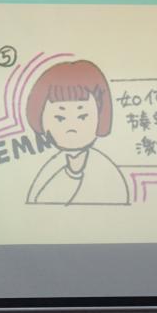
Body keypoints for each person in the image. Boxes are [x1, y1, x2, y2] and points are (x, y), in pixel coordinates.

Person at [25, 59, 129, 205]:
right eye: (60, 118)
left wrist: (73, 174)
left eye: (82, 116)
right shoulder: (50, 164)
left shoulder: (106, 170)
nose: (71, 127)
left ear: (100, 116)